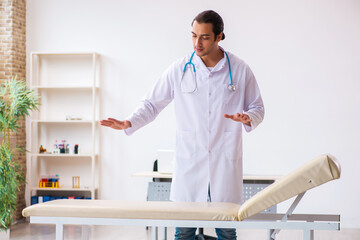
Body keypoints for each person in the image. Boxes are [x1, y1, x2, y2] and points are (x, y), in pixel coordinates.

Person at [101, 10, 264, 240]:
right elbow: (151, 104)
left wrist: (248, 118)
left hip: (224, 162)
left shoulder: (239, 69)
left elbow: (257, 108)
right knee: (183, 231)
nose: (197, 42)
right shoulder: (180, 69)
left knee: (227, 232)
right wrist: (130, 121)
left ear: (219, 37)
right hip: (191, 163)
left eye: (205, 37)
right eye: (194, 35)